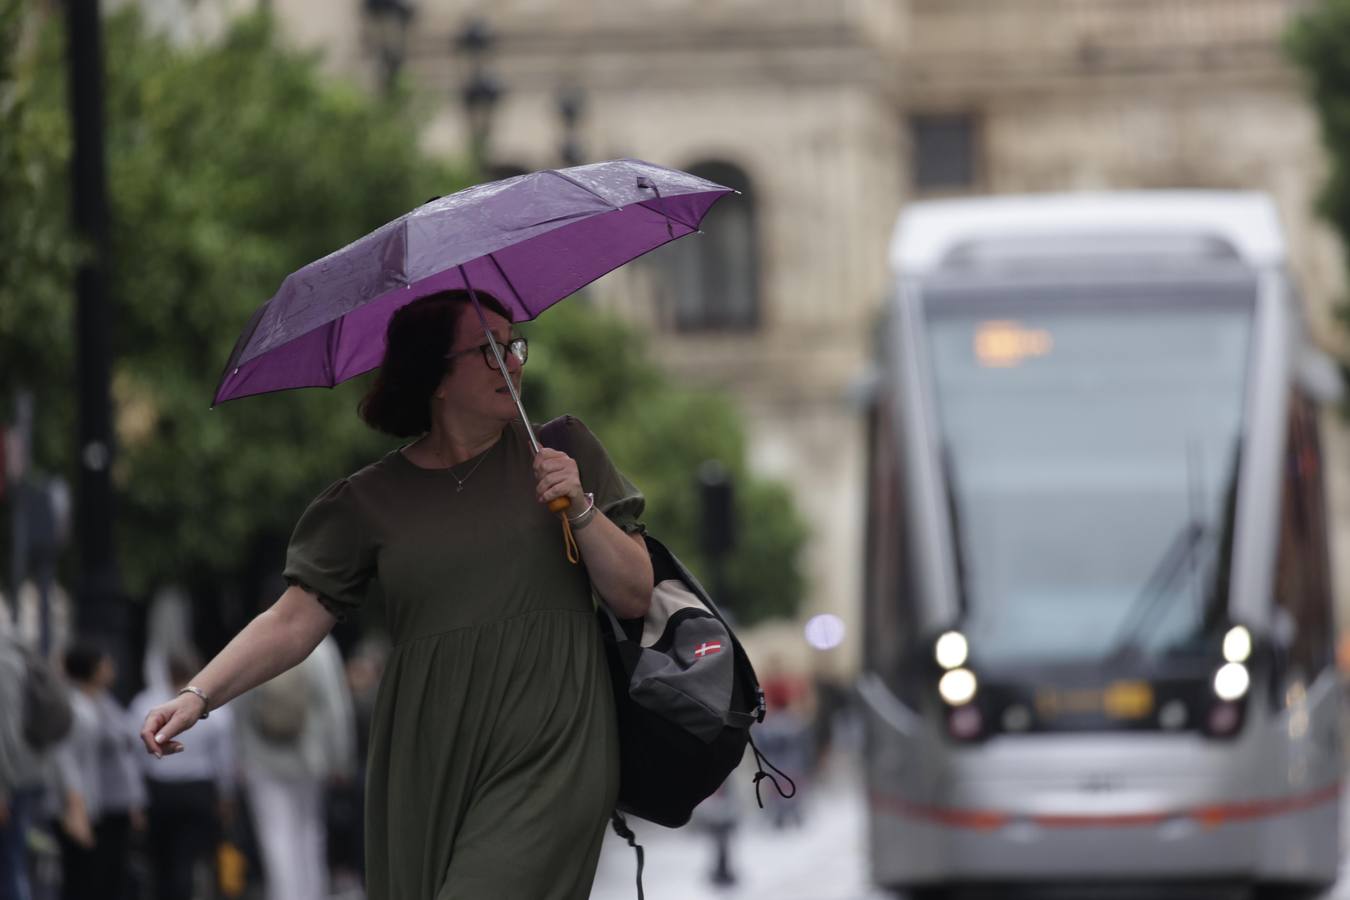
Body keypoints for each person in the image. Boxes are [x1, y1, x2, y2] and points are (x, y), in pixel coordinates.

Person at [139, 289, 653, 900]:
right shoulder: (368, 500)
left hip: (552, 744)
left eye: (513, 344)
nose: (513, 361)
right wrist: (200, 695)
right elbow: (293, 620)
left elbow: (634, 593)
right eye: (489, 350)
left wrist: (583, 509)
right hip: (426, 756)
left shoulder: (564, 452)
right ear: (434, 375)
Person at [234, 631, 353, 900]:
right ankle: (312, 894)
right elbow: (335, 705)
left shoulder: (256, 636)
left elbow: (239, 704)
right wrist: (340, 758)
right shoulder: (321, 644)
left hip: (261, 756)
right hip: (310, 756)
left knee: (275, 836)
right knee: (311, 833)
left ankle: (284, 895)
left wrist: (238, 755)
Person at [128, 651, 238, 900]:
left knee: (161, 858)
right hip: (197, 790)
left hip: (159, 789)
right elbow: (224, 758)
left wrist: (136, 798)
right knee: (188, 857)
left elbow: (134, 755)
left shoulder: (146, 703)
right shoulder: (216, 710)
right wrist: (226, 796)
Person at [53, 641, 146, 900]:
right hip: (89, 803)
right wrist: (76, 806)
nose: (111, 667)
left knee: (107, 877)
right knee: (86, 879)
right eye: (105, 662)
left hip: (104, 802)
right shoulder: (76, 707)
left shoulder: (103, 702)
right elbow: (66, 757)